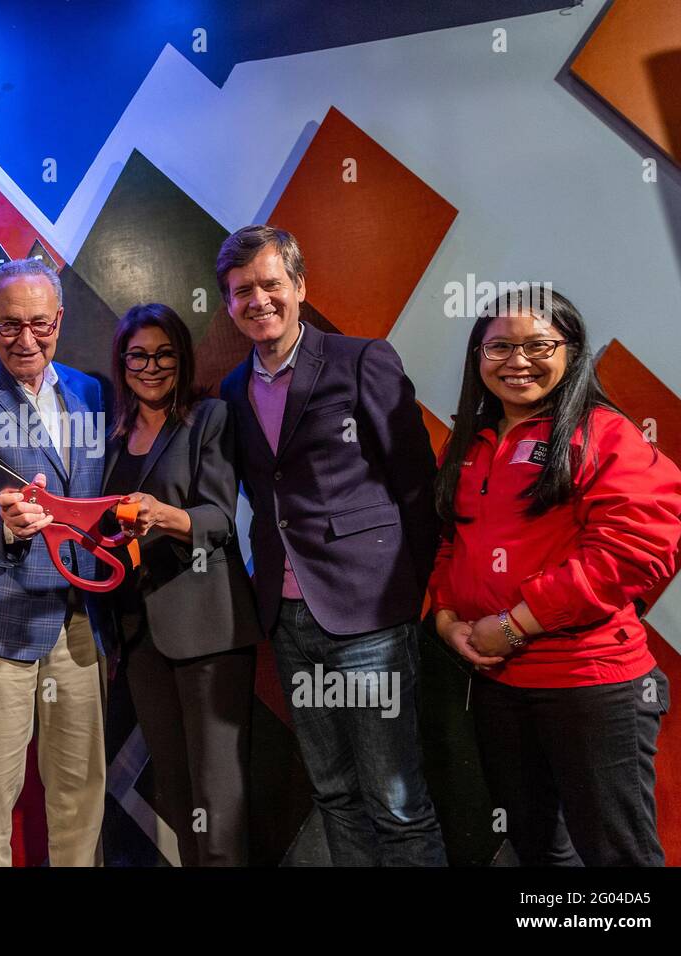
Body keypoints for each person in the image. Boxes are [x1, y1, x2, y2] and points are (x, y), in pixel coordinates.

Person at [429, 286, 681, 866]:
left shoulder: (606, 434)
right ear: (477, 358)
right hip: (499, 684)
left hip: (589, 684)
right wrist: (448, 619)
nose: (516, 361)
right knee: (538, 851)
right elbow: (453, 538)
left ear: (572, 351)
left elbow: (632, 552)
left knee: (617, 859)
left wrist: (518, 624)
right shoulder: (471, 441)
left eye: (537, 345)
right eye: (498, 347)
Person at [217, 225, 447, 866]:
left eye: (270, 284)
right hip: (287, 619)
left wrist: (405, 590)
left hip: (370, 617)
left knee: (397, 800)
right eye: (242, 292)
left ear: (299, 287)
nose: (258, 300)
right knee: (335, 793)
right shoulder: (232, 392)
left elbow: (416, 483)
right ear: (228, 305)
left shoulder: (362, 360)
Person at [0, 257, 110, 867]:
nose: (25, 340)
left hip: (77, 619)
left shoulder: (89, 391)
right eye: (9, 326)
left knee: (80, 795)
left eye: (38, 324)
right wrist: (4, 521)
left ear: (59, 319)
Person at [103, 303, 260, 866]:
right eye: (138, 355)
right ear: (121, 363)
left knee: (219, 797)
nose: (151, 366)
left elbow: (218, 519)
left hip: (209, 630)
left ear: (182, 357)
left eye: (164, 353)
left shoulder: (209, 418)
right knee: (177, 792)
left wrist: (161, 514)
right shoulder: (111, 435)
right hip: (140, 635)